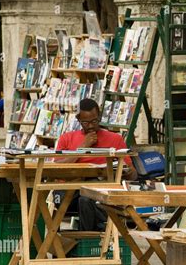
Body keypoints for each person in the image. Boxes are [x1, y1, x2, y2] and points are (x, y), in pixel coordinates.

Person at [55, 98, 137, 231]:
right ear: (78, 120)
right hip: (70, 191)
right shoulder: (67, 138)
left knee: (87, 199)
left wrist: (127, 172)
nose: (91, 126)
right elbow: (57, 168)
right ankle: (93, 238)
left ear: (99, 117)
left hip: (100, 192)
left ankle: (87, 241)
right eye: (85, 122)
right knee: (84, 199)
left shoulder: (115, 139)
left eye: (94, 121)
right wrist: (82, 148)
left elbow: (133, 174)